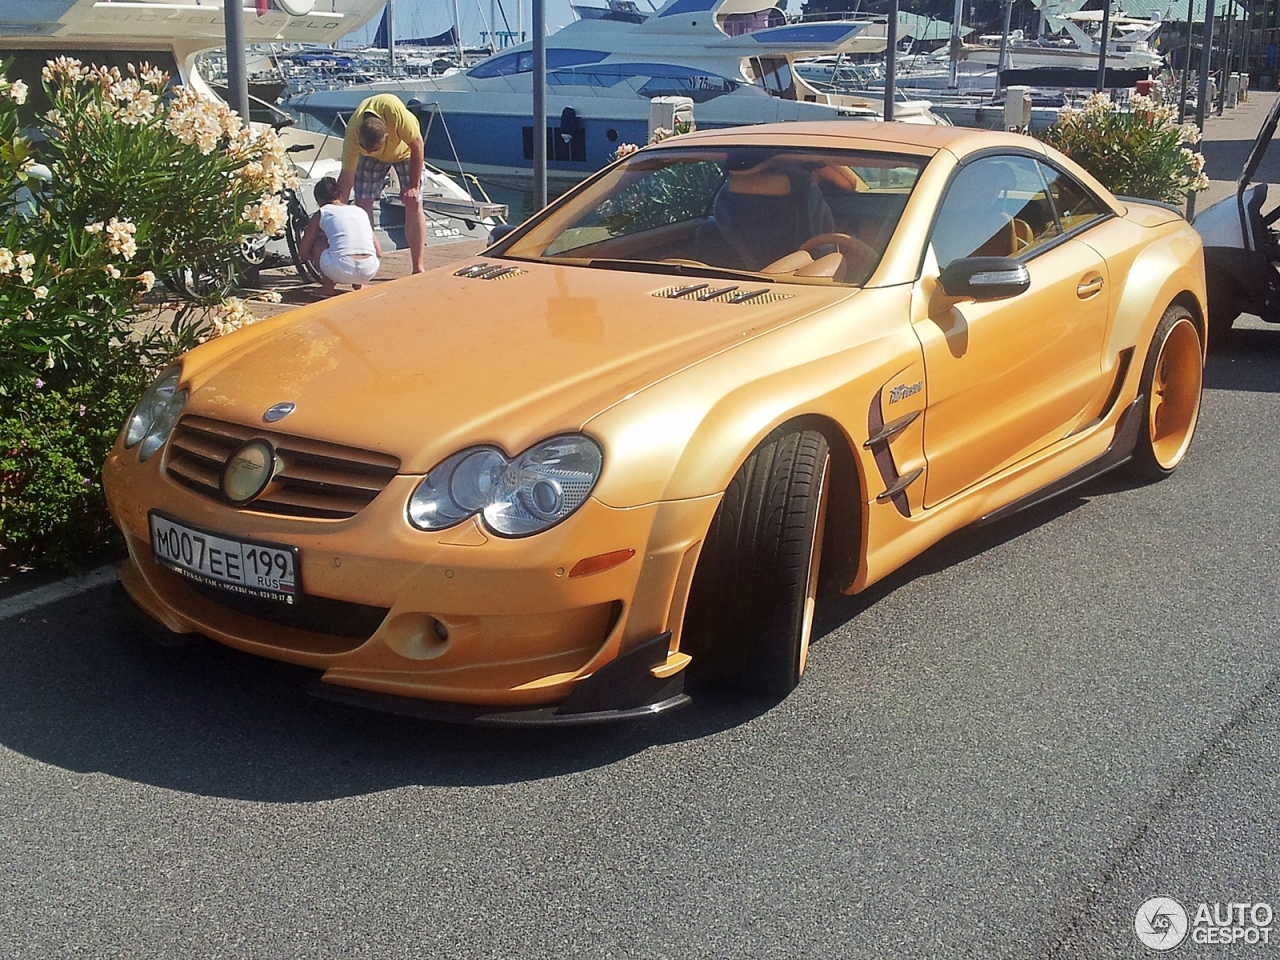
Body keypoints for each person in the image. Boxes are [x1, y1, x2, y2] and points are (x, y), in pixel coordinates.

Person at [335, 93, 426, 274]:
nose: (366, 150)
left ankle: (418, 266)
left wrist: (414, 187)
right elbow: (346, 177)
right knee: (362, 204)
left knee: (413, 203)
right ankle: (368, 261)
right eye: (364, 147)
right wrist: (338, 208)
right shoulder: (353, 134)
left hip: (406, 152)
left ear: (386, 135)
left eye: (372, 147)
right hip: (374, 159)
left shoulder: (396, 113)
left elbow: (418, 146)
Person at [299, 176, 382, 296]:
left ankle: (327, 288)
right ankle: (359, 283)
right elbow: (379, 252)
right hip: (369, 270)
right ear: (340, 196)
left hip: (341, 268)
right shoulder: (360, 211)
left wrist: (316, 260)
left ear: (318, 199)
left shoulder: (322, 213)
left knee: (320, 240)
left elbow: (303, 250)